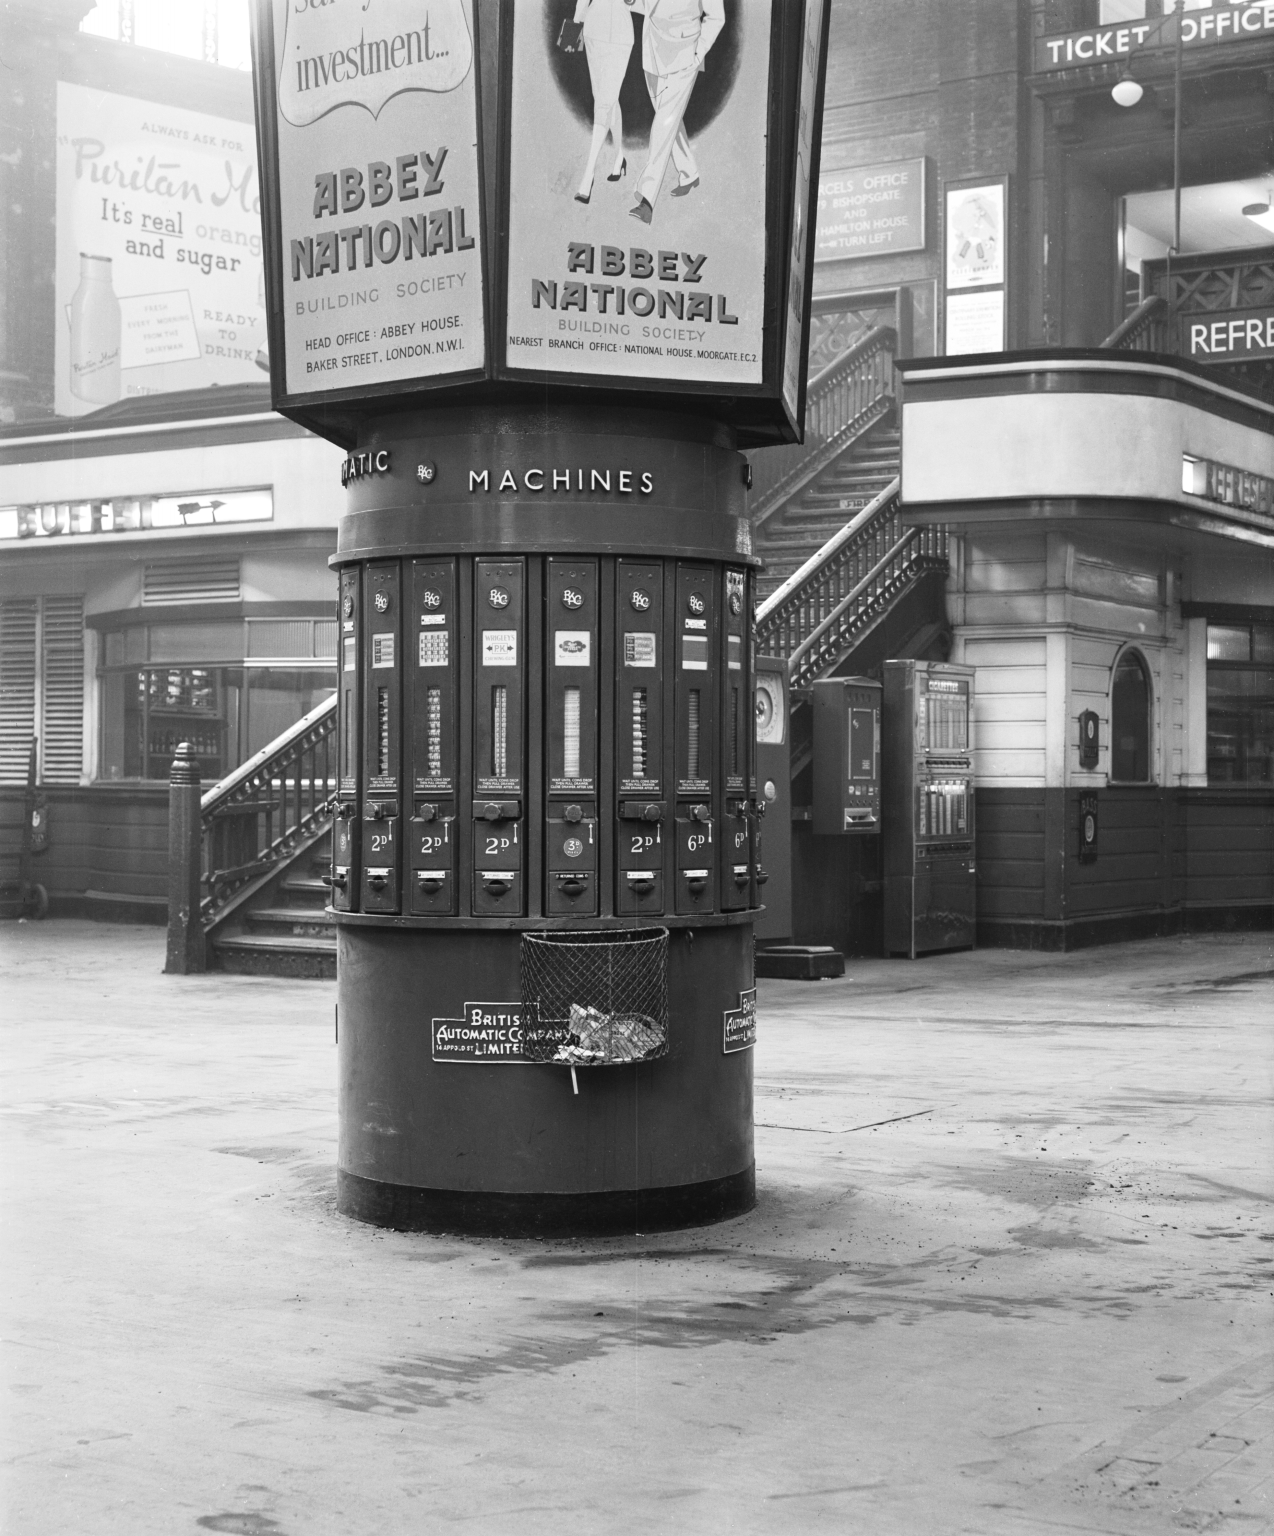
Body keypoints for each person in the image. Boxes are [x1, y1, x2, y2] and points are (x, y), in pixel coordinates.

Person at [626, 0, 725, 224]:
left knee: (664, 124)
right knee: (669, 121)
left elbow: (716, 17)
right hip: (652, 54)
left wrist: (697, 54)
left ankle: (647, 200)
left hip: (684, 57)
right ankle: (689, 173)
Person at [572, 0, 635, 203]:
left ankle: (588, 175)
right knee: (606, 99)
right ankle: (618, 158)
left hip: (620, 35)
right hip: (594, 31)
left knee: (604, 103)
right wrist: (576, 21)